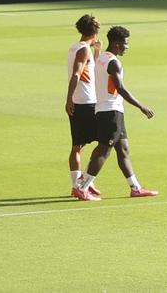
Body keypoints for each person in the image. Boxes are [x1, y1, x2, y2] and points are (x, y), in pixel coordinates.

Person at [84, 26, 157, 198]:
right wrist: (141, 106)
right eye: (125, 43)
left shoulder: (102, 57)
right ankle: (83, 185)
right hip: (110, 111)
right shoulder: (113, 62)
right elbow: (121, 89)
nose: (127, 47)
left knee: (123, 149)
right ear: (117, 44)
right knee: (104, 150)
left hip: (108, 109)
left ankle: (135, 187)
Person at [66, 14, 103, 201]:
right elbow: (76, 74)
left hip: (82, 101)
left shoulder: (76, 47)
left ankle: (79, 183)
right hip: (86, 102)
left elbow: (89, 70)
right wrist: (69, 99)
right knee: (103, 142)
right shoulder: (83, 50)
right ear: (95, 31)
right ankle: (82, 185)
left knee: (79, 144)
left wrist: (96, 51)